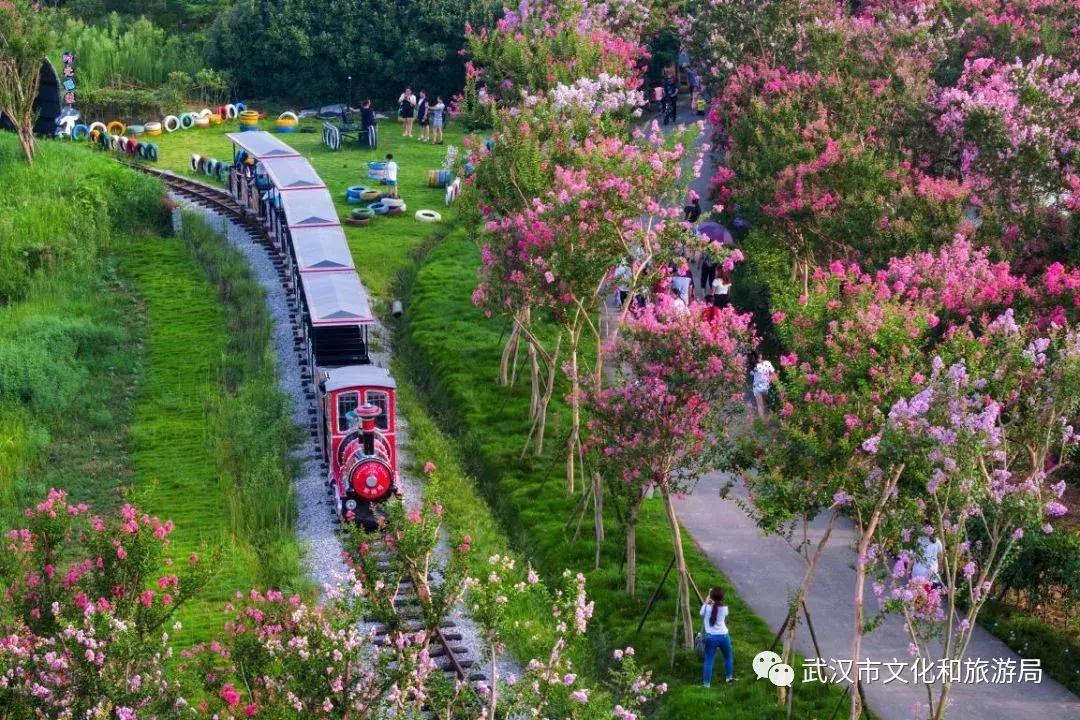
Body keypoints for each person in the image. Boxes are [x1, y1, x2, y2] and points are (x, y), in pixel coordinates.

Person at [701, 586, 734, 686]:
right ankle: (729, 678)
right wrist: (713, 601)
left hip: (711, 638)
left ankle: (706, 684)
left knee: (709, 661)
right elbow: (718, 608)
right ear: (722, 598)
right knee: (728, 657)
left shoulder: (706, 608)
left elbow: (701, 613)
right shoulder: (725, 609)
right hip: (724, 637)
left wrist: (707, 601)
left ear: (711, 597)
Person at [750, 351, 775, 418]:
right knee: (768, 403)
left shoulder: (754, 366)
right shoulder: (767, 363)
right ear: (760, 355)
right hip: (766, 386)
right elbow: (773, 374)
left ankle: (762, 423)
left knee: (760, 406)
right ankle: (770, 417)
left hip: (757, 388)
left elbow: (751, 373)